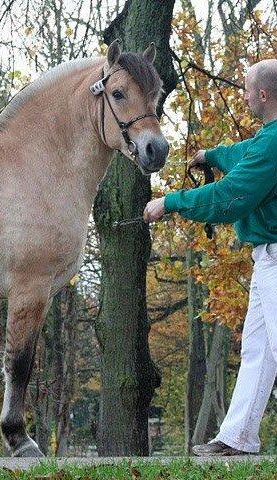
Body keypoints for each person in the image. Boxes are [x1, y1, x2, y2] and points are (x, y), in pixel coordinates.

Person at [143, 59, 277, 456]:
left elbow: (229, 196)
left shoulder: (272, 144)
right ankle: (238, 437)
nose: (245, 95)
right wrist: (212, 155)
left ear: (264, 95)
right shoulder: (268, 140)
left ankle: (237, 438)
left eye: (248, 90)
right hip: (267, 260)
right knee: (258, 351)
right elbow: (245, 154)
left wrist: (170, 202)